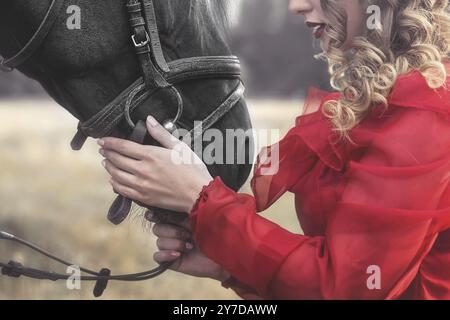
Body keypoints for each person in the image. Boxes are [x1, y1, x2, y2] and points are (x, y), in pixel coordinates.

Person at [97, 0, 450, 299]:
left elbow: (347, 288)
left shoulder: (428, 112)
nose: (296, 5)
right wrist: (229, 263)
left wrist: (200, 200)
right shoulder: (399, 98)